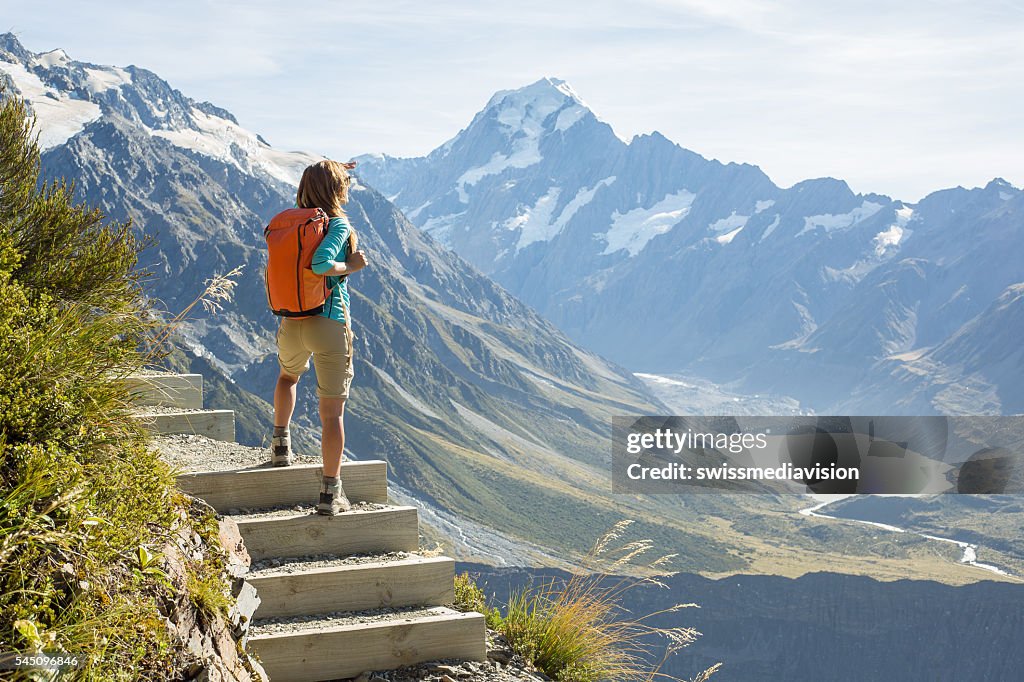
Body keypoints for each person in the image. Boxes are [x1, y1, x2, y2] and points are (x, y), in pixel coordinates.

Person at [270, 159, 368, 515]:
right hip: (328, 323)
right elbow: (322, 264)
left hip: (292, 321)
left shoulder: (294, 225)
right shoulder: (336, 224)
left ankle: (280, 446)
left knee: (287, 376)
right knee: (331, 414)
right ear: (335, 190)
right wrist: (351, 267)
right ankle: (330, 494)